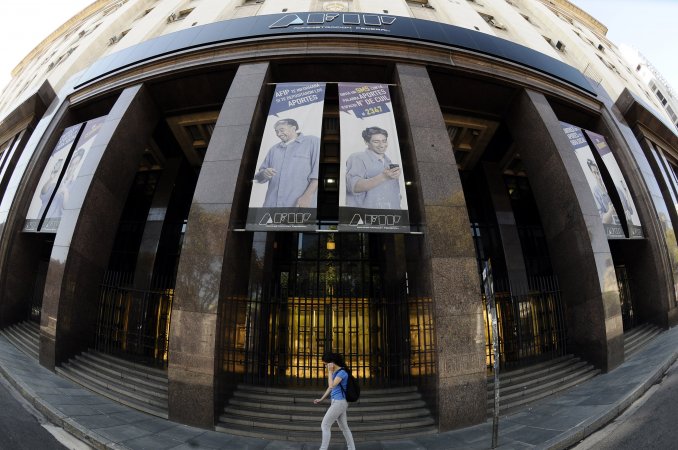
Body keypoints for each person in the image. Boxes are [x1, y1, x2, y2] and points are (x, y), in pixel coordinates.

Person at [254, 118, 320, 208]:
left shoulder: (312, 142)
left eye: (282, 130)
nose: (278, 134)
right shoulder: (274, 149)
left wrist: (307, 196)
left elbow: (317, 173)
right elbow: (257, 178)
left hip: (298, 206)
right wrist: (264, 173)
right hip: (271, 207)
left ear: (293, 128)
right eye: (276, 131)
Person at [345, 126, 402, 209]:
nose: (382, 145)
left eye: (384, 141)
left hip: (393, 213)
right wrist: (383, 177)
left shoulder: (388, 162)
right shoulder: (357, 158)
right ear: (366, 142)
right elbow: (354, 187)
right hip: (368, 214)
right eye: (376, 142)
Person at [313, 352, 356, 450]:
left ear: (331, 363)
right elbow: (330, 388)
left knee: (325, 425)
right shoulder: (336, 372)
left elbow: (331, 385)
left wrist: (329, 372)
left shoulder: (342, 372)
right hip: (338, 402)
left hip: (339, 402)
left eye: (325, 364)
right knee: (344, 427)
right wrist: (321, 399)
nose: (325, 366)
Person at [587, 159, 618, 225]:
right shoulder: (595, 192)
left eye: (598, 172)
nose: (598, 176)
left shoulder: (610, 186)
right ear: (592, 174)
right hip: (612, 227)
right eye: (594, 173)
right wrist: (610, 211)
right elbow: (602, 220)